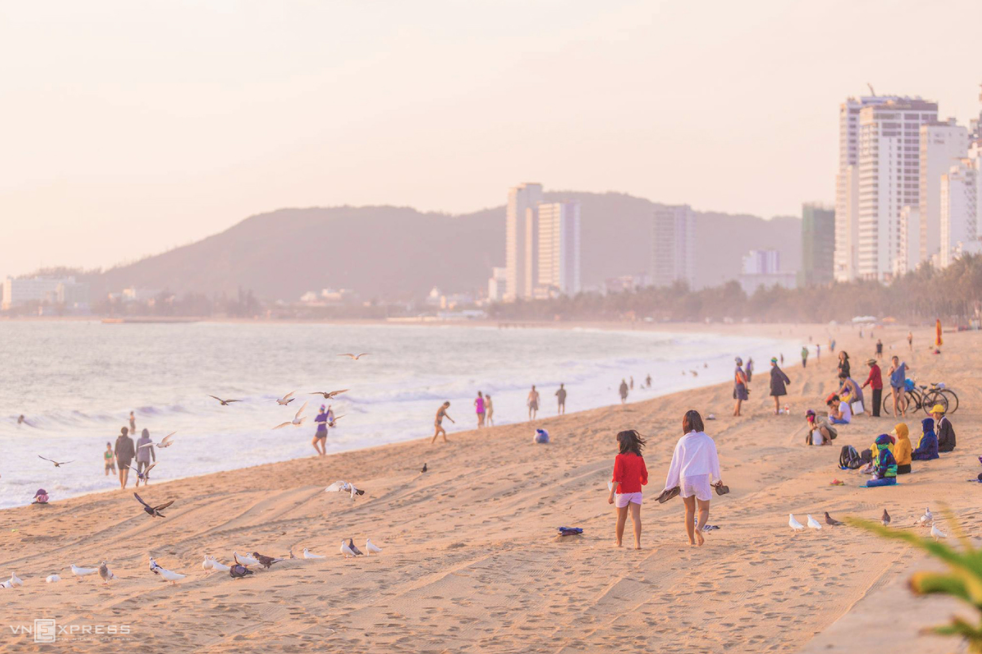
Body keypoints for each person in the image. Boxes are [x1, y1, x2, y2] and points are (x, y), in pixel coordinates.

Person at [663, 410, 724, 547]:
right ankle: (699, 527)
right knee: (704, 509)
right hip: (701, 477)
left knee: (689, 510)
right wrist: (716, 479)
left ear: (685, 424)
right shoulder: (707, 440)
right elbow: (714, 460)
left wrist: (670, 485)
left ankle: (690, 540)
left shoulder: (682, 441)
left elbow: (675, 464)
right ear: (700, 422)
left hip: (685, 478)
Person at [607, 429, 648, 550]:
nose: (617, 444)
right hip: (636, 491)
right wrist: (640, 480)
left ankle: (619, 542)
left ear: (623, 443)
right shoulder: (638, 457)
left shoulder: (619, 458)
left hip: (623, 492)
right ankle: (637, 543)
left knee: (621, 518)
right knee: (636, 517)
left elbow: (617, 478)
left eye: (618, 441)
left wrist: (610, 495)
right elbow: (644, 474)